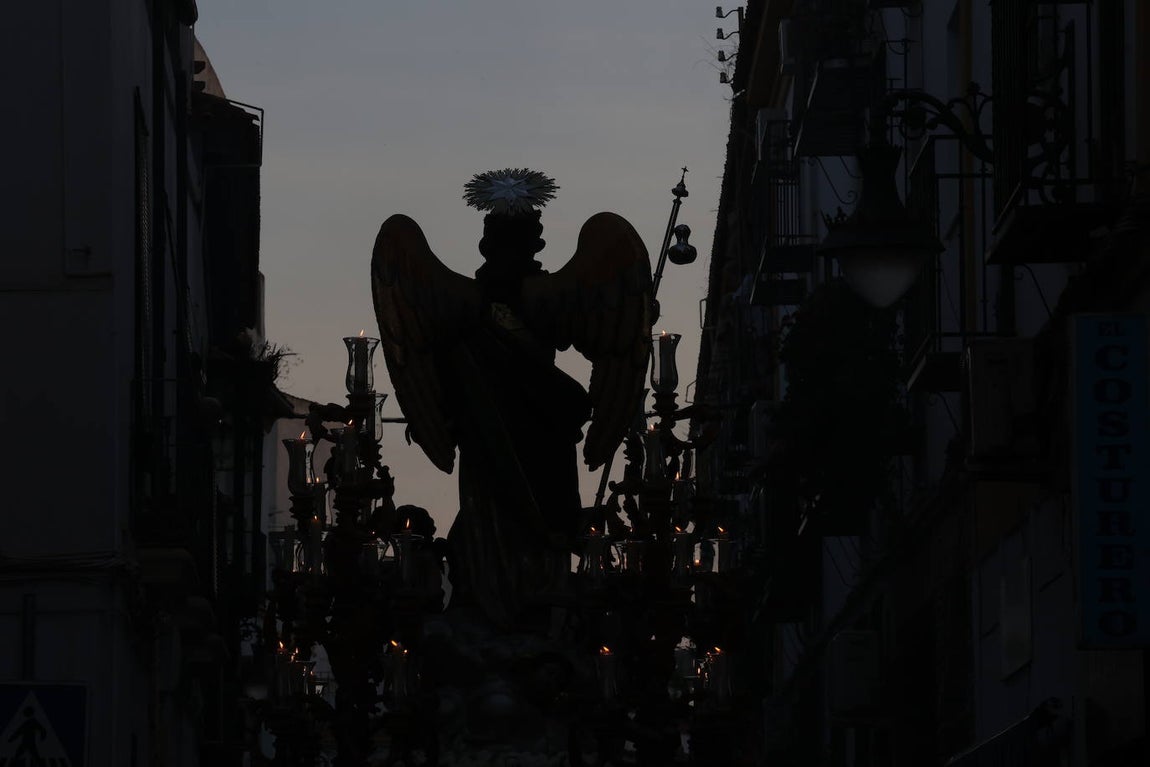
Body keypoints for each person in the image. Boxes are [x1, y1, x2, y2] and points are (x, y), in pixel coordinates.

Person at [372, 169, 651, 629]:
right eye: (501, 239)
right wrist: (441, 407)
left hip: (534, 432)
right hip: (494, 434)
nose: (506, 250)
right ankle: (499, 606)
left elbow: (443, 362)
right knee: (490, 521)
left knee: (536, 526)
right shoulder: (482, 299)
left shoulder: (482, 299)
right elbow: (444, 364)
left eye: (514, 239)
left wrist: (439, 410)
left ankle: (531, 606)